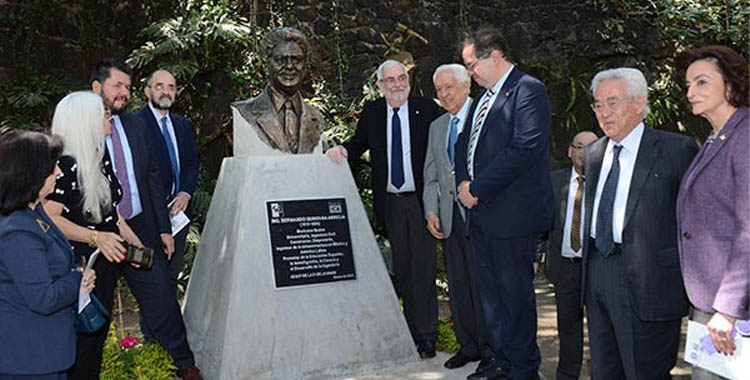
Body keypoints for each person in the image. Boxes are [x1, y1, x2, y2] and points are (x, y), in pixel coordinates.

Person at [53, 59, 200, 380]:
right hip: (91, 249)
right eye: (118, 86)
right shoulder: (68, 153)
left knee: (162, 298)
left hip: (135, 229)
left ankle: (183, 365)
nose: (124, 93)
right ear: (96, 88)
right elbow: (53, 215)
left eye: (128, 88)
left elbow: (149, 180)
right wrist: (97, 238)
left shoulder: (134, 127)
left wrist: (158, 231)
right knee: (93, 322)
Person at [582, 67, 698, 379]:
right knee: (605, 370)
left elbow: (694, 223)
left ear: (638, 103)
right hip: (597, 272)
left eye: (613, 102)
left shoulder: (676, 150)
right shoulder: (594, 153)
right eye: (598, 105)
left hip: (650, 282)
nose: (604, 113)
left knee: (645, 372)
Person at [326, 59, 442, 358]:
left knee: (424, 270)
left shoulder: (427, 110)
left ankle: (428, 336)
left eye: (401, 78)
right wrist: (341, 150)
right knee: (402, 270)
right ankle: (410, 334)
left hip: (421, 203)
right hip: (391, 203)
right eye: (389, 80)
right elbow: (359, 142)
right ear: (379, 86)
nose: (396, 84)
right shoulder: (374, 112)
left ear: (409, 80)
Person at [456, 26, 553, 380]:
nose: (470, 73)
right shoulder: (482, 98)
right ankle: (500, 361)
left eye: (471, 65)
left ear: (494, 55)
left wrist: (477, 187)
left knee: (515, 298)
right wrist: (463, 186)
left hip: (512, 217)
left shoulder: (528, 90)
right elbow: (463, 144)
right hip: (481, 215)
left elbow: (525, 149)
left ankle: (524, 368)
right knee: (491, 298)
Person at [675, 45, 749, 379]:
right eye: (688, 84)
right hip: (710, 297)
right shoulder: (717, 137)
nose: (690, 92)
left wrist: (729, 309)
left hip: (730, 307)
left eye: (702, 82)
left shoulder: (745, 136)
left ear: (731, 84)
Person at [0, 127, 95, 379]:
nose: (59, 172)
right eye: (53, 167)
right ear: (31, 175)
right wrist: (78, 277)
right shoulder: (16, 231)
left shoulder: (33, 212)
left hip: (46, 353)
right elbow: (44, 298)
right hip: (28, 361)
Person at [423, 63, 491, 369]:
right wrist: (431, 211)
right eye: (439, 89)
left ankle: (492, 351)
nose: (444, 94)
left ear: (467, 86)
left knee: (484, 286)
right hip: (449, 220)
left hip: (480, 216)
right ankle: (468, 346)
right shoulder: (437, 126)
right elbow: (431, 177)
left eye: (449, 87)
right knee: (459, 284)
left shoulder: (486, 119)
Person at [134, 69, 200, 292]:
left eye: (171, 87)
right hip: (149, 215)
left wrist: (185, 193)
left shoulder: (183, 125)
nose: (166, 92)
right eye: (160, 86)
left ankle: (170, 324)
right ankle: (152, 327)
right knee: (151, 278)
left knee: (172, 274)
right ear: (147, 91)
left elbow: (192, 163)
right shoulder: (135, 125)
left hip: (178, 214)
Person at [543, 131, 597, 380]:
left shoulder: (607, 180)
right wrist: (536, 255)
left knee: (601, 328)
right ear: (569, 150)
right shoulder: (554, 180)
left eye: (591, 147)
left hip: (596, 267)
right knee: (567, 326)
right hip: (564, 265)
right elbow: (541, 221)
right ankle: (567, 375)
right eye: (578, 146)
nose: (583, 153)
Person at [232, 27, 324, 154]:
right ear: (266, 66)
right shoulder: (243, 113)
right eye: (281, 60)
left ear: (305, 67)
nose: (290, 66)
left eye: (296, 60)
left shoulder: (316, 117)